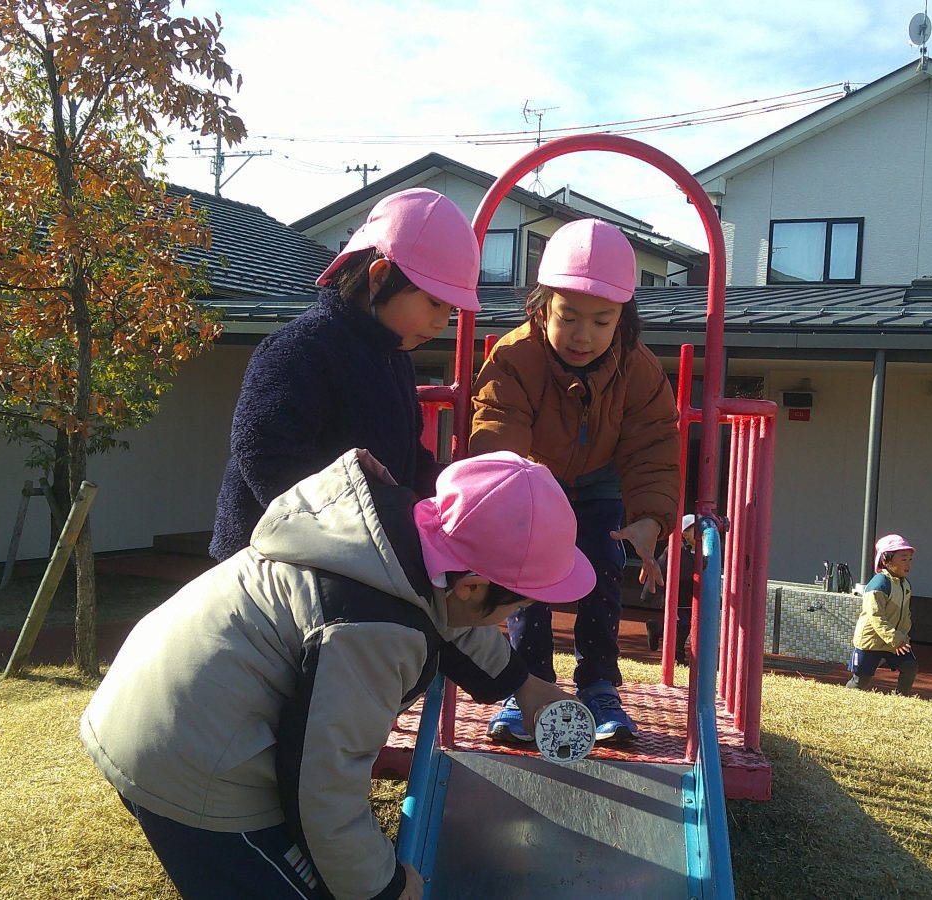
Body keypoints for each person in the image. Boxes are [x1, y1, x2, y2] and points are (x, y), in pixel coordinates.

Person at [81, 449, 594, 900]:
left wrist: (524, 685)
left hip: (161, 703)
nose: (512, 617)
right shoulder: (369, 630)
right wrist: (383, 886)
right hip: (193, 762)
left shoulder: (385, 543)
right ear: (473, 586)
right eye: (515, 606)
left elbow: (444, 617)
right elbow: (324, 786)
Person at [470, 218, 681, 743]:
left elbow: (653, 445)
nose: (583, 335)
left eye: (602, 321)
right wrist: (509, 505)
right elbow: (498, 431)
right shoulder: (515, 358)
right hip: (532, 482)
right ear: (542, 308)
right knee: (527, 576)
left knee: (604, 567)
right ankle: (528, 684)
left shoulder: (638, 369)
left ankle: (599, 684)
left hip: (601, 484)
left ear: (622, 320)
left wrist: (650, 519)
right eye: (568, 317)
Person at [209, 188, 481, 562]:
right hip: (276, 558)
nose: (441, 322)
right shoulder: (303, 347)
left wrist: (450, 493)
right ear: (379, 277)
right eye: (434, 302)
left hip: (357, 552)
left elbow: (409, 460)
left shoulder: (394, 357)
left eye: (450, 310)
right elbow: (264, 450)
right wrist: (339, 531)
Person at [846, 534, 918, 696]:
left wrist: (903, 636)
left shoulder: (905, 584)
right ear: (886, 560)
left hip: (895, 641)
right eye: (903, 559)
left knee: (910, 667)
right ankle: (845, 699)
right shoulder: (879, 585)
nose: (908, 564)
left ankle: (901, 699)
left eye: (910, 559)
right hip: (872, 641)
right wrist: (896, 639)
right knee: (860, 681)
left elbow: (905, 614)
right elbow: (876, 617)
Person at [645, 514, 696, 666]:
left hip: (691, 597)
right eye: (696, 530)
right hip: (677, 596)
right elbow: (660, 568)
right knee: (682, 624)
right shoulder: (676, 549)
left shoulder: (703, 550)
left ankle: (657, 630)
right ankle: (676, 654)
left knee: (687, 625)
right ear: (685, 534)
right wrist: (648, 593)